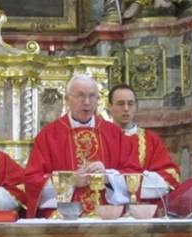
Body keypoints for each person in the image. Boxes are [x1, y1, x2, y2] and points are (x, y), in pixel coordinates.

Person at [24, 74, 142, 218]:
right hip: (63, 219)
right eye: (81, 96)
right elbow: (32, 180)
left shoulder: (114, 133)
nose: (87, 102)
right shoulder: (49, 135)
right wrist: (69, 181)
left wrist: (107, 177)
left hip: (107, 217)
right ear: (67, 99)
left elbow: (134, 175)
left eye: (92, 96)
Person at [107, 84, 180, 203]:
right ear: (109, 107)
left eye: (130, 104)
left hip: (144, 210)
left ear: (136, 106)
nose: (126, 108)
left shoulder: (151, 140)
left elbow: (171, 176)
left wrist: (122, 182)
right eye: (121, 104)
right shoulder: (101, 138)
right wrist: (143, 178)